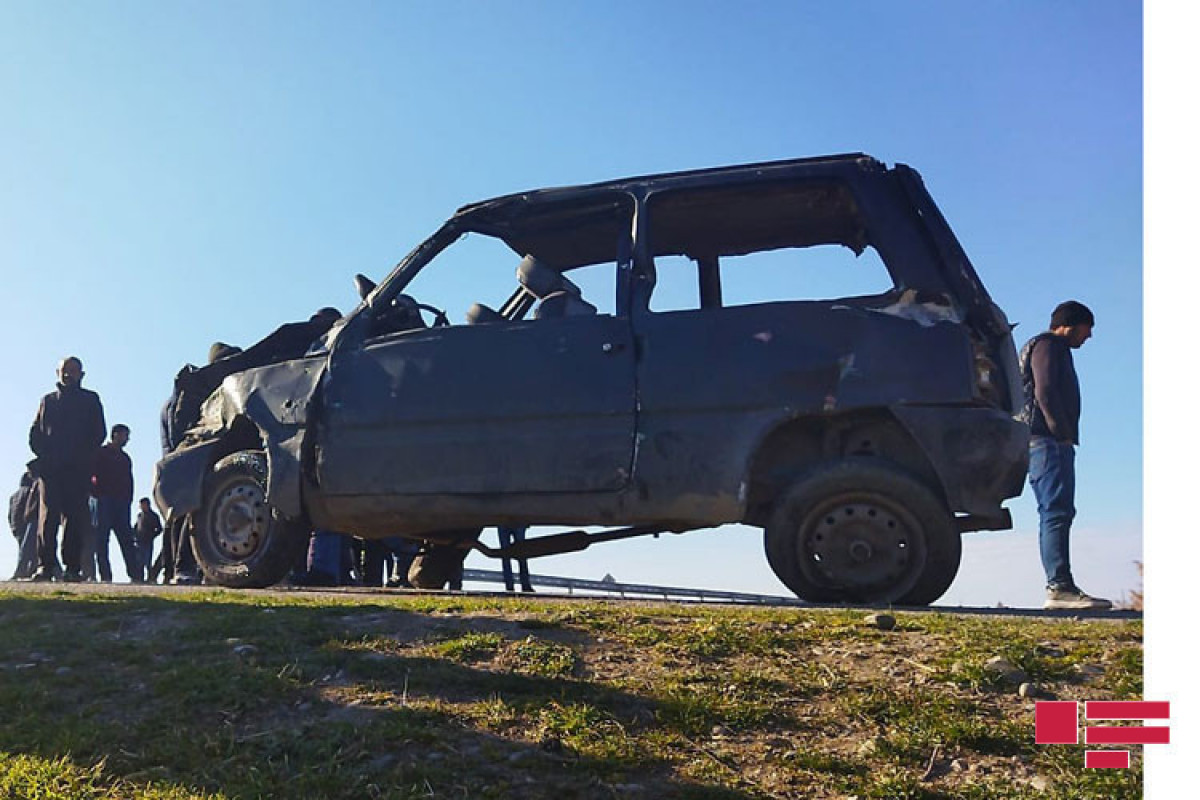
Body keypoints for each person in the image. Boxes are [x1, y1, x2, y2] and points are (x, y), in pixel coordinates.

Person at [1019, 300, 1111, 610]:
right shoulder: (1050, 345)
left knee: (1058, 511)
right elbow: (1044, 390)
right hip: (1047, 442)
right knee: (1056, 511)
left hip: (1045, 441)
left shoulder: (1049, 346)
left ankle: (1060, 586)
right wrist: (1061, 432)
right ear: (1071, 324)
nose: (1089, 336)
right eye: (1088, 328)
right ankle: (1059, 587)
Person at [28, 357, 106, 582]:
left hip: (77, 470)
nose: (68, 374)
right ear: (57, 372)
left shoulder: (90, 400)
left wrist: (83, 457)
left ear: (82, 374)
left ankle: (72, 568)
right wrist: (45, 457)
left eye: (73, 370)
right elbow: (35, 434)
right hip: (51, 470)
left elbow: (98, 433)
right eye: (65, 370)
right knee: (48, 517)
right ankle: (46, 566)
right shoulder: (48, 401)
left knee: (74, 518)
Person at [93, 424, 141, 582]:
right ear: (115, 435)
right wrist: (96, 493)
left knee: (126, 540)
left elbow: (129, 480)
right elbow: (91, 475)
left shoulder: (125, 458)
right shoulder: (101, 453)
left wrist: (128, 500)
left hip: (121, 503)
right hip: (104, 501)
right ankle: (105, 576)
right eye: (124, 435)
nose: (126, 439)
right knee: (102, 540)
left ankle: (136, 575)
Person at [7, 471, 40, 579]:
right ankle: (28, 570)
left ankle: (27, 571)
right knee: (31, 549)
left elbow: (10, 513)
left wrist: (12, 526)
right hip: (27, 524)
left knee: (25, 549)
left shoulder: (14, 496)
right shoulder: (29, 493)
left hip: (16, 526)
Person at [133, 497, 162, 583]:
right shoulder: (139, 516)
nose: (142, 506)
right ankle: (139, 578)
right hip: (138, 541)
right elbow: (136, 527)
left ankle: (151, 578)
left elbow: (159, 528)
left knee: (147, 561)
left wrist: (151, 536)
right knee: (139, 561)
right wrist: (134, 535)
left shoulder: (153, 516)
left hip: (147, 542)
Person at [497, 526, 534, 593]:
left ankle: (510, 586)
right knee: (520, 556)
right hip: (513, 522)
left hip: (505, 522)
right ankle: (524, 585)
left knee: (507, 556)